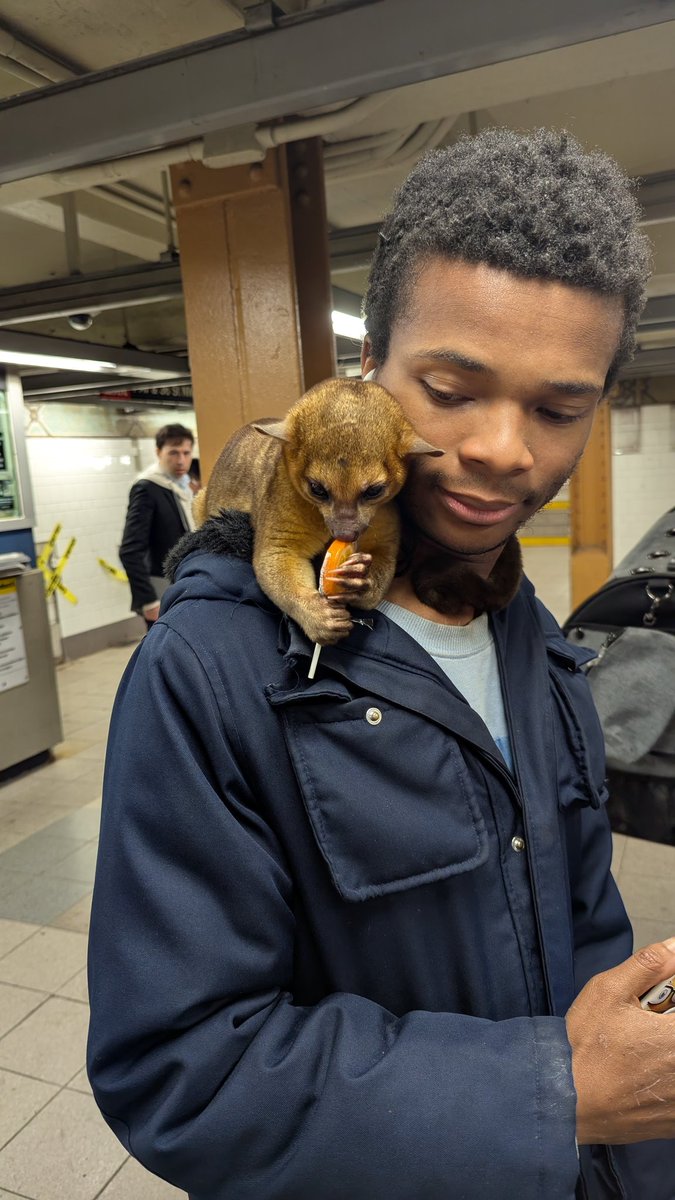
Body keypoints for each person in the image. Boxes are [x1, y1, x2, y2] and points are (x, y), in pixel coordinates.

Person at [87, 129, 675, 1198]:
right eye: (450, 389)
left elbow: (586, 936)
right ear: (370, 372)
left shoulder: (538, 649)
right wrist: (555, 1094)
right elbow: (180, 1070)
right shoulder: (211, 671)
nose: (505, 448)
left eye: (558, 407)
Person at [119, 423, 195, 627]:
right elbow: (130, 549)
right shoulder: (147, 488)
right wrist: (148, 600)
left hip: (185, 583)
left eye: (186, 453)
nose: (181, 460)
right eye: (173, 453)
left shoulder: (182, 486)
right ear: (158, 452)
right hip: (162, 588)